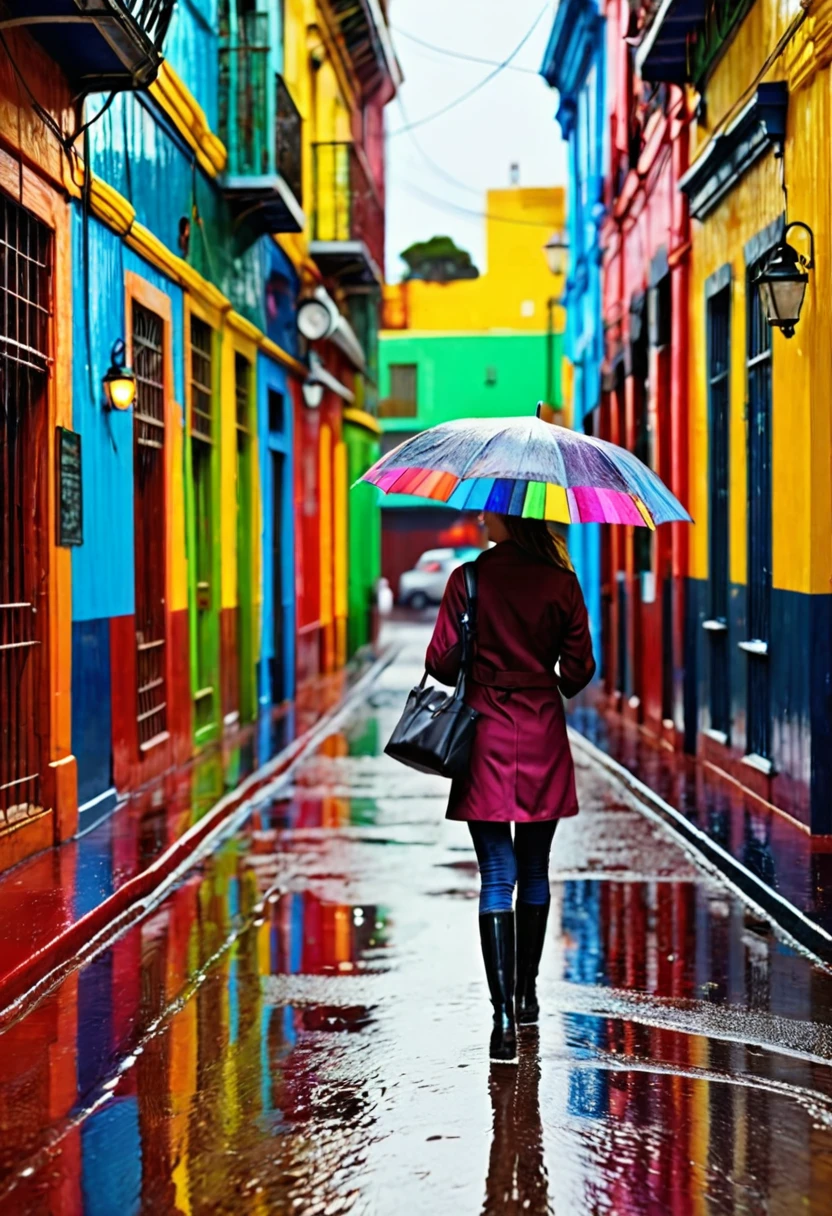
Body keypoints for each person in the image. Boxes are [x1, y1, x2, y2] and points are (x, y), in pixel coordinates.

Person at [425, 512, 595, 1065]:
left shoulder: (467, 581)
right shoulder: (562, 583)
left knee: (497, 875)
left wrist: (476, 649)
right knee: (536, 870)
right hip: (542, 730)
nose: (479, 516)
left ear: (508, 517)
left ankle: (501, 1020)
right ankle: (526, 996)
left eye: (488, 507)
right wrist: (549, 678)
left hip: (484, 733)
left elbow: (441, 666)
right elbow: (578, 669)